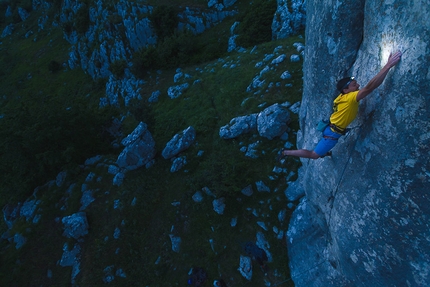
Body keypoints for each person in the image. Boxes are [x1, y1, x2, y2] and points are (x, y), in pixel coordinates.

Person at [280, 51, 402, 159]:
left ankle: (324, 151)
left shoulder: (341, 97)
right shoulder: (349, 98)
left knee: (320, 149)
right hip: (332, 133)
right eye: (355, 85)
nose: (358, 86)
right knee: (314, 155)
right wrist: (388, 66)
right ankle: (286, 152)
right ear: (346, 90)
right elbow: (369, 88)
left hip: (330, 128)